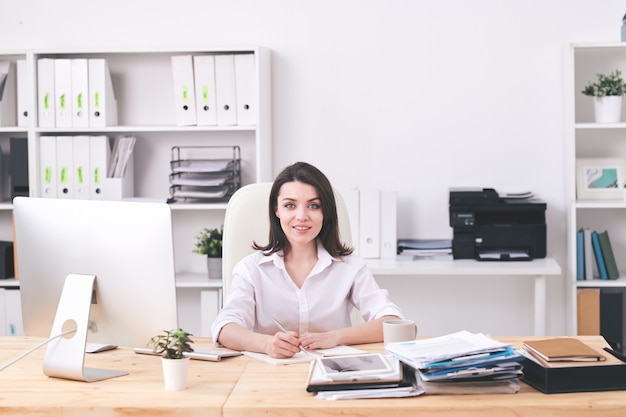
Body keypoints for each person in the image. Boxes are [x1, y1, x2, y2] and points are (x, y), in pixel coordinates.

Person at [211, 161, 404, 358]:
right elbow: (225, 328)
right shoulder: (251, 268)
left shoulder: (350, 267)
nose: (301, 216)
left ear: (325, 212)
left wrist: (334, 337)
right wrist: (267, 344)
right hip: (269, 375)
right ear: (276, 210)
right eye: (290, 205)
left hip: (333, 373)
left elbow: (392, 322)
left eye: (313, 205)